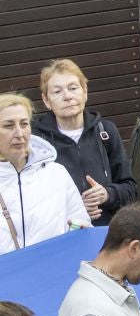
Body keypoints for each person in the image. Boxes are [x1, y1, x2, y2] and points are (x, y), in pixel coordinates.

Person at [33, 60, 136, 224]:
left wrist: (107, 194)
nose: (67, 96)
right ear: (46, 100)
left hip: (107, 233)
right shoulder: (37, 140)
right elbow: (31, 199)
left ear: (85, 91)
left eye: (73, 88)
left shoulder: (105, 131)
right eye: (57, 91)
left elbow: (130, 188)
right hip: (62, 234)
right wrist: (74, 208)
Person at [0, 92, 86, 252]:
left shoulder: (57, 174)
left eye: (24, 124)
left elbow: (80, 224)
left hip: (52, 272)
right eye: (8, 126)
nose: (19, 133)